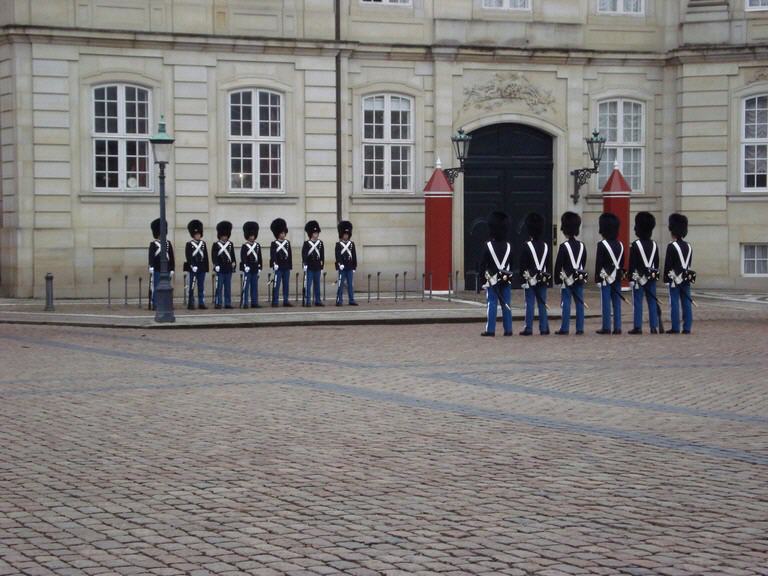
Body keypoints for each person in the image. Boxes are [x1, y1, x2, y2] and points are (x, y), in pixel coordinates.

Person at [479, 211, 513, 337]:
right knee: (506, 303)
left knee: (492, 304)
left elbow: (482, 264)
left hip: (492, 280)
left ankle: (490, 330)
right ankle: (508, 329)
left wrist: (482, 280)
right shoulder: (509, 246)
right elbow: (511, 263)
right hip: (505, 279)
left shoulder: (488, 246)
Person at [554, 211, 587, 335]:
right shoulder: (582, 246)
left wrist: (557, 279)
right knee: (579, 302)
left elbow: (558, 265)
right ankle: (580, 328)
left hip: (567, 278)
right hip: (578, 278)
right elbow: (583, 262)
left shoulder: (563, 247)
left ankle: (565, 328)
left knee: (566, 302)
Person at [628, 212, 661, 334]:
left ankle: (638, 326)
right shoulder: (654, 245)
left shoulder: (635, 245)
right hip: (651, 277)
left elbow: (632, 264)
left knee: (638, 302)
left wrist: (631, 277)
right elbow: (656, 263)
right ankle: (654, 326)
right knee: (652, 301)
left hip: (639, 278)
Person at [519, 212, 551, 336]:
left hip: (530, 278)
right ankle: (544, 328)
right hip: (542, 277)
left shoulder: (527, 246)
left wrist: (523, 278)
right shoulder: (546, 246)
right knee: (542, 303)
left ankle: (529, 327)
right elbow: (547, 263)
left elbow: (523, 264)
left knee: (530, 304)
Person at [664, 213, 695, 334]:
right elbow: (689, 263)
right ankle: (687, 327)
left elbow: (668, 264)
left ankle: (675, 327)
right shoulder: (689, 246)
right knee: (686, 302)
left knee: (675, 302)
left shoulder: (671, 246)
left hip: (674, 278)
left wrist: (667, 278)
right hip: (686, 277)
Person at [595, 212, 624, 334]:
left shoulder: (602, 245)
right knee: (617, 302)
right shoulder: (620, 244)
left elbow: (599, 263)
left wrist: (597, 277)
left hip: (606, 277)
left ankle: (606, 327)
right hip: (616, 276)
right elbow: (621, 262)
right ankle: (618, 327)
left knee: (606, 302)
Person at [147, 218, 175, 310]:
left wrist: (172, 269)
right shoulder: (153, 244)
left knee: (167, 289)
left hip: (166, 269)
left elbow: (171, 257)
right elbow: (151, 256)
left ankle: (166, 303)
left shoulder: (168, 243)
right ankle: (155, 303)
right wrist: (151, 266)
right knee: (156, 287)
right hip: (157, 269)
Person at [184, 219, 209, 310]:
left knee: (201, 286)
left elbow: (205, 256)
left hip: (201, 267)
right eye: (196, 234)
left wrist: (206, 268)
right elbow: (188, 256)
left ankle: (201, 303)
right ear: (193, 235)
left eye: (198, 234)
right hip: (193, 268)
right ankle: (191, 303)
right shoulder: (189, 244)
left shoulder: (203, 244)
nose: (197, 235)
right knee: (192, 286)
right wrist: (192, 265)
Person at [212, 220, 236, 309]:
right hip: (220, 268)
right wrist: (216, 264)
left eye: (226, 235)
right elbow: (214, 256)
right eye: (223, 235)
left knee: (228, 287)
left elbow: (232, 255)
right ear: (220, 235)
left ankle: (228, 303)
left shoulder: (230, 244)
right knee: (219, 286)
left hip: (228, 268)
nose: (225, 237)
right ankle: (218, 303)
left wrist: (234, 263)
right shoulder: (216, 245)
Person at [269, 218, 293, 307]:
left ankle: (286, 300)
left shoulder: (287, 243)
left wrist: (290, 266)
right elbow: (273, 255)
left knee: (286, 285)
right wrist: (274, 263)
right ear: (277, 234)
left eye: (284, 233)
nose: (283, 235)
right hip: (278, 267)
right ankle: (275, 301)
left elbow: (289, 255)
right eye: (281, 233)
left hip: (286, 266)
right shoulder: (274, 244)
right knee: (276, 284)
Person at [302, 220, 325, 307]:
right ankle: (308, 301)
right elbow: (304, 255)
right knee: (308, 285)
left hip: (317, 266)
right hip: (309, 267)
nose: (316, 234)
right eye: (314, 233)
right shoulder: (306, 244)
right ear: (311, 234)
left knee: (317, 285)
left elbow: (322, 256)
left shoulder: (320, 243)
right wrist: (304, 264)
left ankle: (317, 300)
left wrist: (322, 267)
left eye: (317, 233)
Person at [335, 220, 358, 306]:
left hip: (349, 267)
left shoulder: (351, 244)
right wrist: (339, 264)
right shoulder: (338, 244)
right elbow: (337, 256)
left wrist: (354, 266)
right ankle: (339, 300)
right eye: (344, 234)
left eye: (347, 234)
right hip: (342, 267)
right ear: (342, 235)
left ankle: (351, 300)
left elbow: (354, 256)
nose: (346, 236)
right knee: (340, 284)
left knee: (350, 285)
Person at [240, 221, 262, 309]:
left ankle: (254, 302)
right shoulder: (245, 246)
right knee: (246, 286)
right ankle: (245, 303)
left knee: (254, 286)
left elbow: (259, 257)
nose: (252, 237)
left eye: (253, 236)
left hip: (255, 268)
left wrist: (260, 266)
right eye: (250, 236)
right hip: (248, 268)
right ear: (247, 236)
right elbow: (243, 257)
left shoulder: (257, 246)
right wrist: (245, 266)